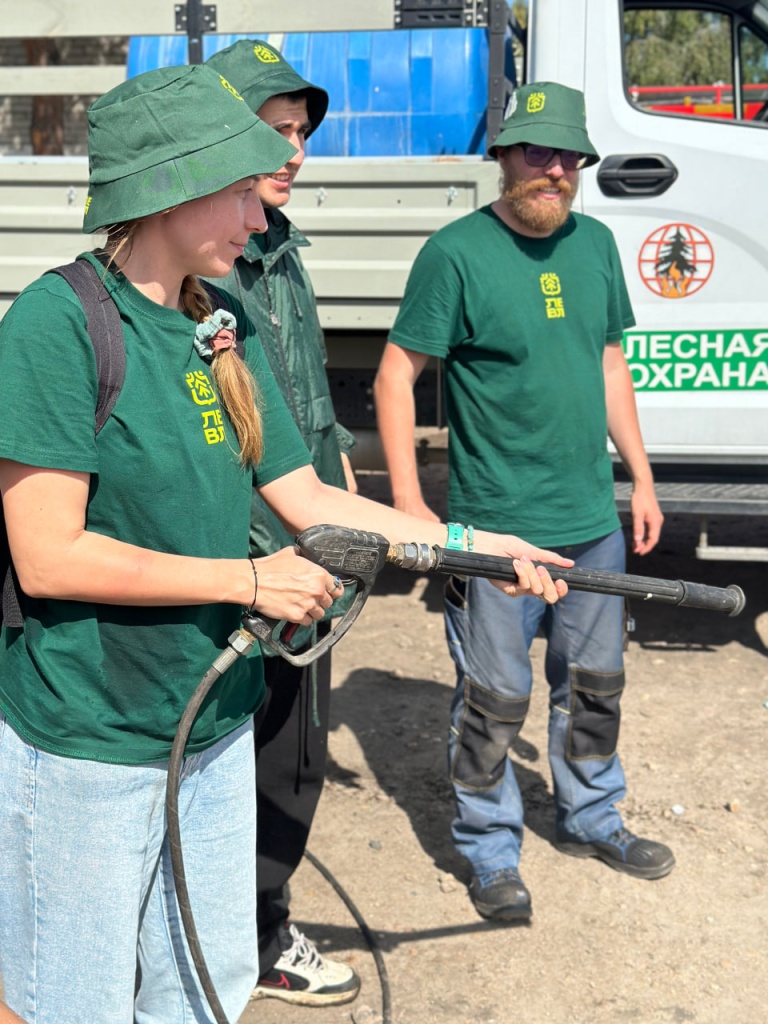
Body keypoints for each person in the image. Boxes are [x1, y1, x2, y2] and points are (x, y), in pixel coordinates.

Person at [0, 66, 569, 1024]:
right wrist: (248, 580)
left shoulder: (222, 320)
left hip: (214, 729)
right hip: (89, 747)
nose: (262, 220)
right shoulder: (58, 326)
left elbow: (306, 496)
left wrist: (473, 544)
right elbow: (48, 557)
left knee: (204, 993)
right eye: (241, 189)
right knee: (73, 1004)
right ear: (169, 188)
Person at [373, 81, 675, 926]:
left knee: (597, 683)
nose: (553, 170)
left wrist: (640, 476)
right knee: (494, 701)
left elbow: (610, 362)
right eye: (535, 153)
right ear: (503, 158)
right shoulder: (457, 253)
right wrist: (408, 507)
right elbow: (398, 376)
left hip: (589, 523)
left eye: (567, 156)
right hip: (492, 534)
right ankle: (489, 850)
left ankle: (592, 816)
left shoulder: (597, 247)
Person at [205, 39, 360, 1007]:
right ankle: (236, 937)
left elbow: (310, 410)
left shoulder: (283, 249)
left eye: (301, 131)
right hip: (247, 566)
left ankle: (256, 928)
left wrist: (347, 519)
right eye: (275, 129)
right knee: (232, 761)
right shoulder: (206, 267)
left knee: (291, 761)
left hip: (311, 552)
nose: (295, 149)